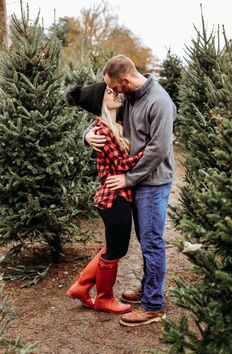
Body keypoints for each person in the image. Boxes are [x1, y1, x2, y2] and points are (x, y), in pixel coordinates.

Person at [84, 55, 176, 326]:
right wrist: (87, 134)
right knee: (145, 238)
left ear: (125, 80)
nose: (112, 92)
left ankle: (153, 305)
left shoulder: (159, 102)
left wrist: (128, 178)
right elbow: (106, 118)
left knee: (151, 241)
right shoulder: (131, 96)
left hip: (152, 182)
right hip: (136, 180)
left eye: (114, 87)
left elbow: (159, 149)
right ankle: (149, 287)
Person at [65, 81, 144, 314]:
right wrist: (150, 151)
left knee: (114, 247)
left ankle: (81, 287)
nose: (115, 94)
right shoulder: (101, 132)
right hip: (112, 198)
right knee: (116, 250)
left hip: (119, 196)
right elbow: (122, 164)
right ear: (100, 102)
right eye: (109, 92)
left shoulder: (116, 124)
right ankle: (104, 298)